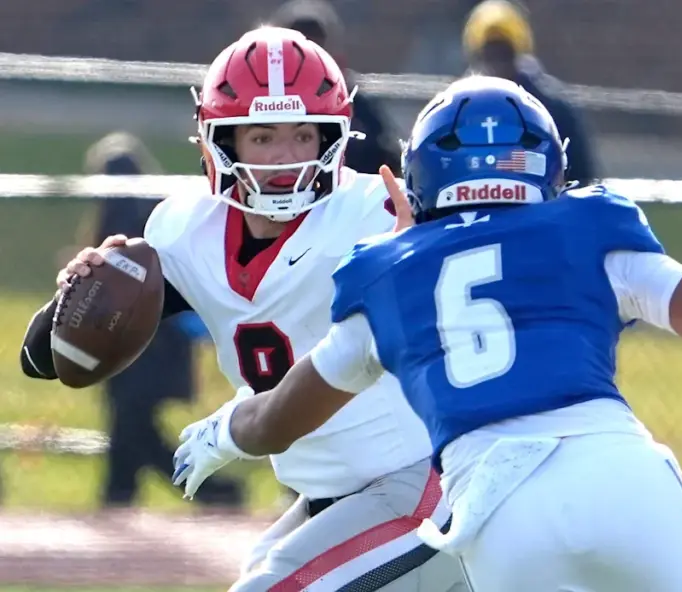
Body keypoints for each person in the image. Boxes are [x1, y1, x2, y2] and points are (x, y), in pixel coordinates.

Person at [172, 76, 682, 591]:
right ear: (549, 165)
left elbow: (276, 421)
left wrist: (221, 430)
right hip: (620, 477)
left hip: (496, 513)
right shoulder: (592, 231)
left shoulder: (385, 276)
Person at [20, 27, 466, 592]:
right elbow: (44, 359)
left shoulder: (376, 214)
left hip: (424, 481)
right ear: (220, 142)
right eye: (262, 136)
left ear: (333, 137)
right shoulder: (185, 231)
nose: (285, 158)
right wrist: (80, 289)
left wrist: (424, 251)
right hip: (330, 495)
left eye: (303, 135)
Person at [83, 132, 242, 509]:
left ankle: (211, 490)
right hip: (152, 348)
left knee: (133, 426)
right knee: (130, 427)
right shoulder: (152, 217)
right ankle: (119, 492)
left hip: (145, 350)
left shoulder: (129, 222)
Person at [463, 0, 598, 186]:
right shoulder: (459, 110)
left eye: (504, 53)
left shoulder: (552, 110)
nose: (497, 64)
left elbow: (582, 178)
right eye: (490, 53)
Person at [268, 0, 403, 176]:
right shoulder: (258, 103)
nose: (306, 59)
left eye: (317, 46)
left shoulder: (358, 107)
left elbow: (390, 160)